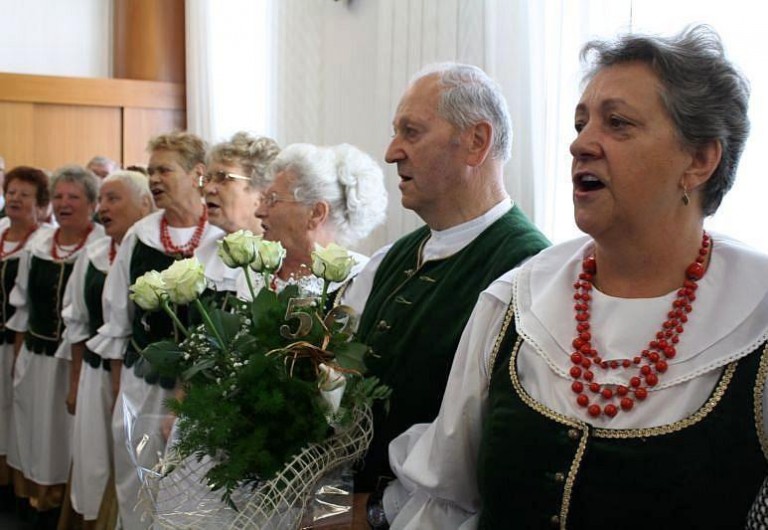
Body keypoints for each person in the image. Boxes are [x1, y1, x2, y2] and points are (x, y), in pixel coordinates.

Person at [382, 25, 768, 529]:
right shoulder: (515, 302)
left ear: (699, 160)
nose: (581, 144)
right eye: (581, 122)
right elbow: (447, 498)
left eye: (618, 123)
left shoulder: (754, 315)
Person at [340, 63, 549, 495]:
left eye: (411, 132)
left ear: (476, 142)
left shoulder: (528, 270)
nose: (392, 152)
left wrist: (382, 511)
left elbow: (496, 448)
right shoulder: (393, 257)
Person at [86, 132, 224, 530]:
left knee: (190, 485)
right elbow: (118, 321)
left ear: (198, 173)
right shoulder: (140, 235)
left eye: (165, 169)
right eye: (151, 171)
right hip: (142, 383)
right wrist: (119, 394)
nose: (155, 179)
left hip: (202, 392)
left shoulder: (222, 238)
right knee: (137, 479)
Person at [6, 165, 103, 529]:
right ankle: (31, 500)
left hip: (72, 363)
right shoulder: (38, 244)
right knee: (31, 429)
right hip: (36, 356)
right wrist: (18, 358)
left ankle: (61, 505)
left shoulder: (98, 248)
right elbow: (22, 308)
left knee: (65, 436)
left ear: (91, 204)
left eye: (73, 197)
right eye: (59, 196)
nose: (64, 204)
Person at [64, 170, 154, 529]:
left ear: (144, 204)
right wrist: (74, 383)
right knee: (94, 461)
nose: (102, 208)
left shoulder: (153, 253)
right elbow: (77, 324)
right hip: (94, 376)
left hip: (135, 383)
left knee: (133, 465)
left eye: (113, 199)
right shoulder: (94, 254)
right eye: (100, 200)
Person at [251, 142, 388, 294]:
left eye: (272, 199)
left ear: (316, 213)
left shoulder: (362, 284)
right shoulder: (253, 274)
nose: (259, 211)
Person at [0, 166, 49, 512]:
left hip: (15, 341)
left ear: (41, 205)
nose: (15, 198)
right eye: (11, 192)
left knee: (15, 412)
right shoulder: (0, 230)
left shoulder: (43, 243)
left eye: (25, 194)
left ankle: (16, 489)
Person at [198, 131, 279, 294]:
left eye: (223, 178)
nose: (207, 189)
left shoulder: (283, 257)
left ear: (262, 191)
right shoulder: (204, 254)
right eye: (208, 179)